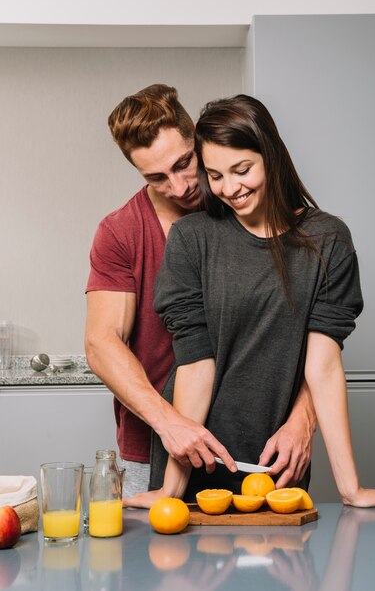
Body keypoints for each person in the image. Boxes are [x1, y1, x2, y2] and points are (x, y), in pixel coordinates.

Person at [126, 93, 375, 507]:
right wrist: (170, 488)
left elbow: (322, 365)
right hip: (200, 458)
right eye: (214, 175)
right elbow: (195, 362)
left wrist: (349, 488)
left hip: (277, 462)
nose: (230, 188)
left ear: (271, 155)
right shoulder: (192, 238)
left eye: (242, 169)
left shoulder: (328, 239)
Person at [85, 85, 317, 498]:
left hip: (260, 449)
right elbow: (101, 344)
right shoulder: (120, 232)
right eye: (157, 177)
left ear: (199, 138)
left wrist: (303, 417)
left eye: (184, 163)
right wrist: (171, 424)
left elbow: (311, 331)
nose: (179, 186)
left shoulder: (257, 211)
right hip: (155, 447)